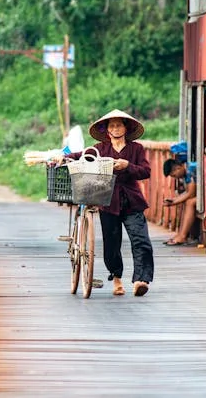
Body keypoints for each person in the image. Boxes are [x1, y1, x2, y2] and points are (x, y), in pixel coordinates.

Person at [59, 109, 154, 297]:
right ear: (107, 130)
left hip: (132, 200)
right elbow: (81, 155)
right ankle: (117, 278)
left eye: (119, 125)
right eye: (112, 125)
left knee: (141, 240)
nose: (116, 128)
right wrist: (63, 157)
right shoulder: (100, 149)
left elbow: (145, 171)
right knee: (111, 244)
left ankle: (141, 280)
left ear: (126, 128)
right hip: (107, 199)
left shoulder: (136, 149)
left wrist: (128, 166)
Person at [162, 158, 197, 245]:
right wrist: (174, 200)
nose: (175, 177)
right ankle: (180, 234)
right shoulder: (187, 170)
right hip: (204, 194)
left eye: (174, 175)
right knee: (186, 202)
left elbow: (191, 193)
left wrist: (174, 202)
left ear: (178, 168)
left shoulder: (190, 170)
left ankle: (182, 236)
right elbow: (188, 192)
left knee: (189, 202)